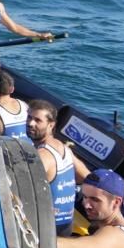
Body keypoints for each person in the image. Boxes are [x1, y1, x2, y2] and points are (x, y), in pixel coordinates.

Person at [26, 99, 89, 236]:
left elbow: (22, 190)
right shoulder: (64, 148)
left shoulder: (42, 155)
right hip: (66, 223)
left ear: (51, 125)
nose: (30, 123)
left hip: (46, 227)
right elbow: (86, 177)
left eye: (38, 120)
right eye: (29, 117)